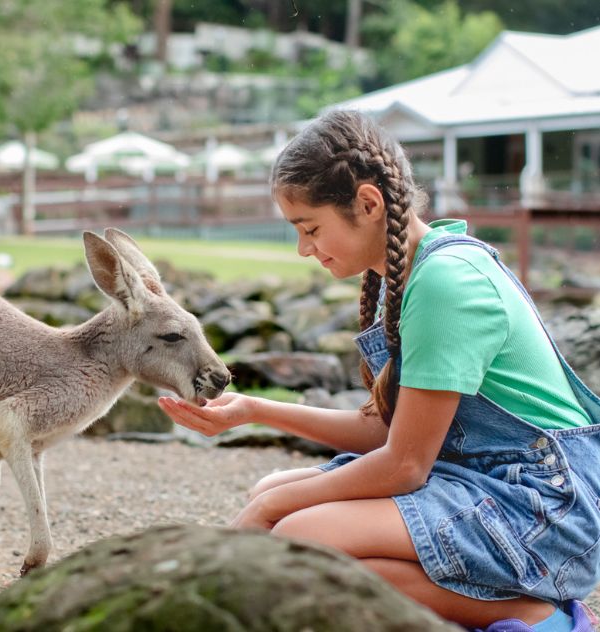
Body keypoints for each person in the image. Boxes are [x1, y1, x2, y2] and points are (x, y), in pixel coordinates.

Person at [158, 110, 600, 631]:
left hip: (545, 508)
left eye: (310, 228)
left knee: (299, 535)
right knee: (275, 501)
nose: (304, 249)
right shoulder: (405, 275)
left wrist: (272, 510)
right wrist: (254, 411)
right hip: (477, 478)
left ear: (368, 204)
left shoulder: (445, 284)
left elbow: (405, 465)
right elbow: (389, 434)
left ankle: (543, 618)